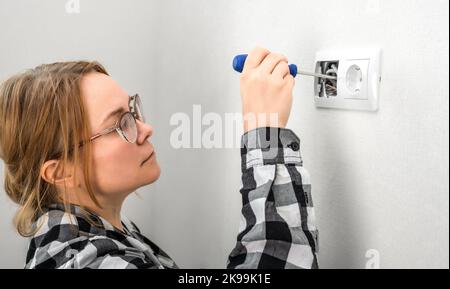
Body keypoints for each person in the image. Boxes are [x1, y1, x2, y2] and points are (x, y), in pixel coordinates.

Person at [0, 46, 318, 269]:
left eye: (132, 111)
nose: (146, 129)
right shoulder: (88, 262)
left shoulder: (105, 236)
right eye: (119, 124)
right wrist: (264, 133)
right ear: (60, 173)